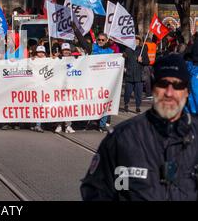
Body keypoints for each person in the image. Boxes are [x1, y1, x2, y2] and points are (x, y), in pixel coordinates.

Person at [81, 54, 198, 200]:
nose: (169, 93)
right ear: (153, 87)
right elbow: (94, 190)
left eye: (178, 85)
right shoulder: (123, 137)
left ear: (187, 91)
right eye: (162, 84)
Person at [123, 36, 150, 114]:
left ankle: (138, 106)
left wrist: (142, 60)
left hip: (139, 75)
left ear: (140, 41)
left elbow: (147, 62)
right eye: (134, 39)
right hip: (129, 74)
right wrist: (124, 65)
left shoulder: (142, 50)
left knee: (138, 93)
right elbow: (124, 60)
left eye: (138, 40)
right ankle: (126, 104)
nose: (136, 41)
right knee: (127, 92)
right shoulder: (127, 50)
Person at [54, 43, 76, 133]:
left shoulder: (74, 60)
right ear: (62, 51)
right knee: (59, 106)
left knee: (68, 107)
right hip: (59, 86)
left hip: (70, 87)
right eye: (64, 50)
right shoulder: (57, 60)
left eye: (68, 50)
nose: (66, 51)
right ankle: (59, 125)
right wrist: (53, 58)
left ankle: (68, 126)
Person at [30, 45, 47, 133]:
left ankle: (38, 124)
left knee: (41, 105)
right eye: (39, 52)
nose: (40, 54)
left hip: (45, 86)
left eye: (42, 52)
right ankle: (35, 124)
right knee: (35, 105)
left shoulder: (49, 60)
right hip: (35, 86)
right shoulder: (32, 60)